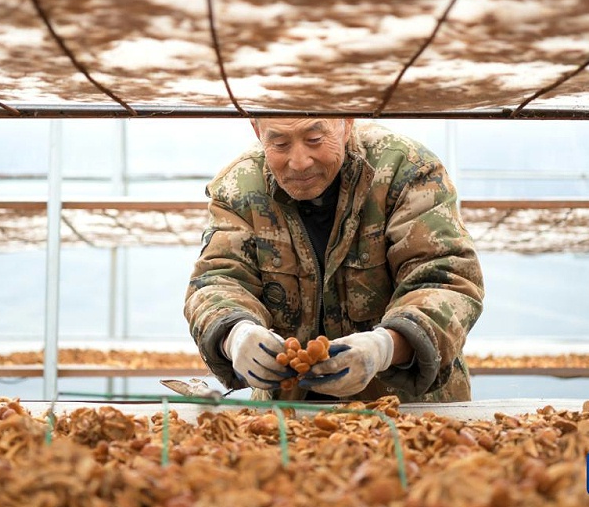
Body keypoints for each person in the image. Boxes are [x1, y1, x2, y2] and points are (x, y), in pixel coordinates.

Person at [184, 118, 484, 402]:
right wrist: (234, 333)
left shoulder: (404, 170)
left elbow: (447, 277)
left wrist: (387, 346)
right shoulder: (239, 187)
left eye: (315, 139)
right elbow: (219, 280)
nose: (299, 162)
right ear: (256, 130)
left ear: (346, 122)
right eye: (279, 143)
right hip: (289, 415)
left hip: (407, 411)